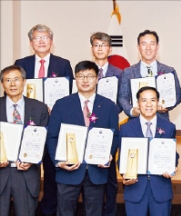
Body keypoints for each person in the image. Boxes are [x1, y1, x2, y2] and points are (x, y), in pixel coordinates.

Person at [46, 61, 120, 216]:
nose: (85, 80)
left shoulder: (108, 106)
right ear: (75, 78)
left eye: (90, 76)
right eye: (81, 76)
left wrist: (108, 154)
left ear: (97, 78)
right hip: (68, 171)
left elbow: (114, 136)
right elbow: (52, 136)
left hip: (96, 171)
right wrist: (58, 162)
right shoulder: (61, 105)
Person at [13, 24, 72, 216]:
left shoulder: (63, 64)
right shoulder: (21, 63)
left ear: (51, 41)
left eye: (45, 37)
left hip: (54, 124)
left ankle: (48, 210)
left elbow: (70, 94)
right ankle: (28, 208)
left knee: (51, 169)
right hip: (29, 123)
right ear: (31, 42)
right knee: (28, 169)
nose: (41, 41)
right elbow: (16, 92)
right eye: (37, 38)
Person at [0, 65, 49, 216]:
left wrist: (33, 159)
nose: (12, 84)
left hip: (26, 174)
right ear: (2, 84)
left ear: (24, 82)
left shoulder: (39, 108)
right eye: (8, 80)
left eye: (16, 79)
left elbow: (46, 141)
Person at [119, 86, 176, 215]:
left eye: (153, 100)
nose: (148, 104)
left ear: (158, 103)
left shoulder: (169, 127)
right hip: (135, 187)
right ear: (138, 103)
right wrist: (124, 175)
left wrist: (173, 166)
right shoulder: (126, 128)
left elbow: (173, 154)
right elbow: (122, 157)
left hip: (161, 188)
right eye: (144, 100)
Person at [90, 31, 123, 216]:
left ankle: (109, 211)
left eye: (104, 45)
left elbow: (122, 99)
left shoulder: (119, 73)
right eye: (96, 45)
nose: (100, 48)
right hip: (86, 127)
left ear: (110, 48)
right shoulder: (84, 71)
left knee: (109, 174)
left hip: (109, 126)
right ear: (92, 48)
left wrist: (107, 114)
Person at [118, 30, 181, 120]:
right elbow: (122, 97)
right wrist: (132, 110)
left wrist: (167, 105)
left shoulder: (169, 71)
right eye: (144, 44)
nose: (148, 48)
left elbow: (178, 94)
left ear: (157, 47)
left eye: (152, 44)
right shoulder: (128, 72)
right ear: (138, 47)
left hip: (161, 121)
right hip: (136, 123)